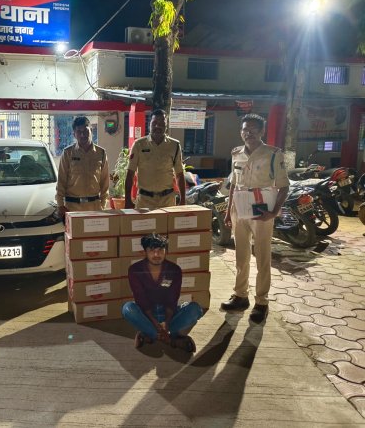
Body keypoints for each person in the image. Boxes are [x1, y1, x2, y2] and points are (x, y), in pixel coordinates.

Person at [220, 113, 290, 323]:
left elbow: (284, 186)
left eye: (253, 129)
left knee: (262, 256)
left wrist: (274, 212)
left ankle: (262, 302)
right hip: (239, 209)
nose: (248, 133)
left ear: (262, 131)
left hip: (262, 211)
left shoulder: (273, 154)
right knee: (241, 255)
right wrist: (228, 211)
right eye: (245, 129)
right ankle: (240, 296)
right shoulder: (236, 153)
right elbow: (233, 184)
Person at [121, 234, 203, 352]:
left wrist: (166, 322)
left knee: (196, 309)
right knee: (127, 309)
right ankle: (170, 339)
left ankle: (149, 334)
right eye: (152, 250)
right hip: (146, 314)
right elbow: (141, 299)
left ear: (165, 251)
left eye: (160, 250)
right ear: (145, 251)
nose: (156, 254)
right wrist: (155, 323)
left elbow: (172, 298)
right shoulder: (135, 270)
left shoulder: (174, 270)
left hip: (169, 314)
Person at [124, 108, 185, 210]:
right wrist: (127, 200)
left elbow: (179, 174)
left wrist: (183, 200)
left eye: (161, 123)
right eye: (154, 123)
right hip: (145, 201)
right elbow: (130, 174)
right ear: (149, 124)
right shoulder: (139, 145)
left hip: (167, 201)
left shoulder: (174, 145)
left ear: (166, 125)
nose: (157, 126)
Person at [56, 116, 109, 218]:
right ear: (74, 134)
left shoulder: (101, 153)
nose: (82, 134)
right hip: (72, 208)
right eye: (79, 131)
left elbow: (105, 182)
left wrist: (102, 205)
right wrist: (60, 205)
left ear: (91, 130)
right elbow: (61, 181)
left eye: (85, 131)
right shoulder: (68, 153)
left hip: (94, 207)